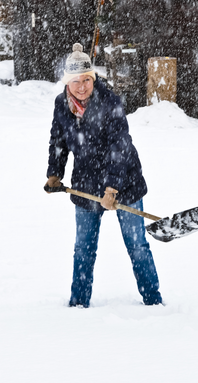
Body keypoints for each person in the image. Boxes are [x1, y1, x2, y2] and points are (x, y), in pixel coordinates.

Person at [45, 43, 163, 308]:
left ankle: (154, 302)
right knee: (83, 249)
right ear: (67, 82)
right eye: (76, 81)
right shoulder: (61, 104)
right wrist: (54, 173)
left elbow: (119, 145)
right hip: (86, 182)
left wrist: (112, 188)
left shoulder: (109, 101)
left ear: (93, 78)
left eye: (87, 79)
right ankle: (78, 305)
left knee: (137, 246)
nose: (83, 86)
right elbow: (58, 141)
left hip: (125, 180)